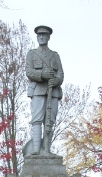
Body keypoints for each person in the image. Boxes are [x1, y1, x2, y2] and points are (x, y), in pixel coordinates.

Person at [23, 25, 64, 156]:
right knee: (37, 119)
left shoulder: (54, 55)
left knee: (50, 121)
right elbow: (29, 71)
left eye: (44, 35)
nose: (41, 37)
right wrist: (42, 75)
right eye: (39, 35)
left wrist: (56, 81)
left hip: (53, 91)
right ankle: (36, 149)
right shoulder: (32, 54)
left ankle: (47, 150)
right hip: (38, 90)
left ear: (48, 37)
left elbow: (61, 74)